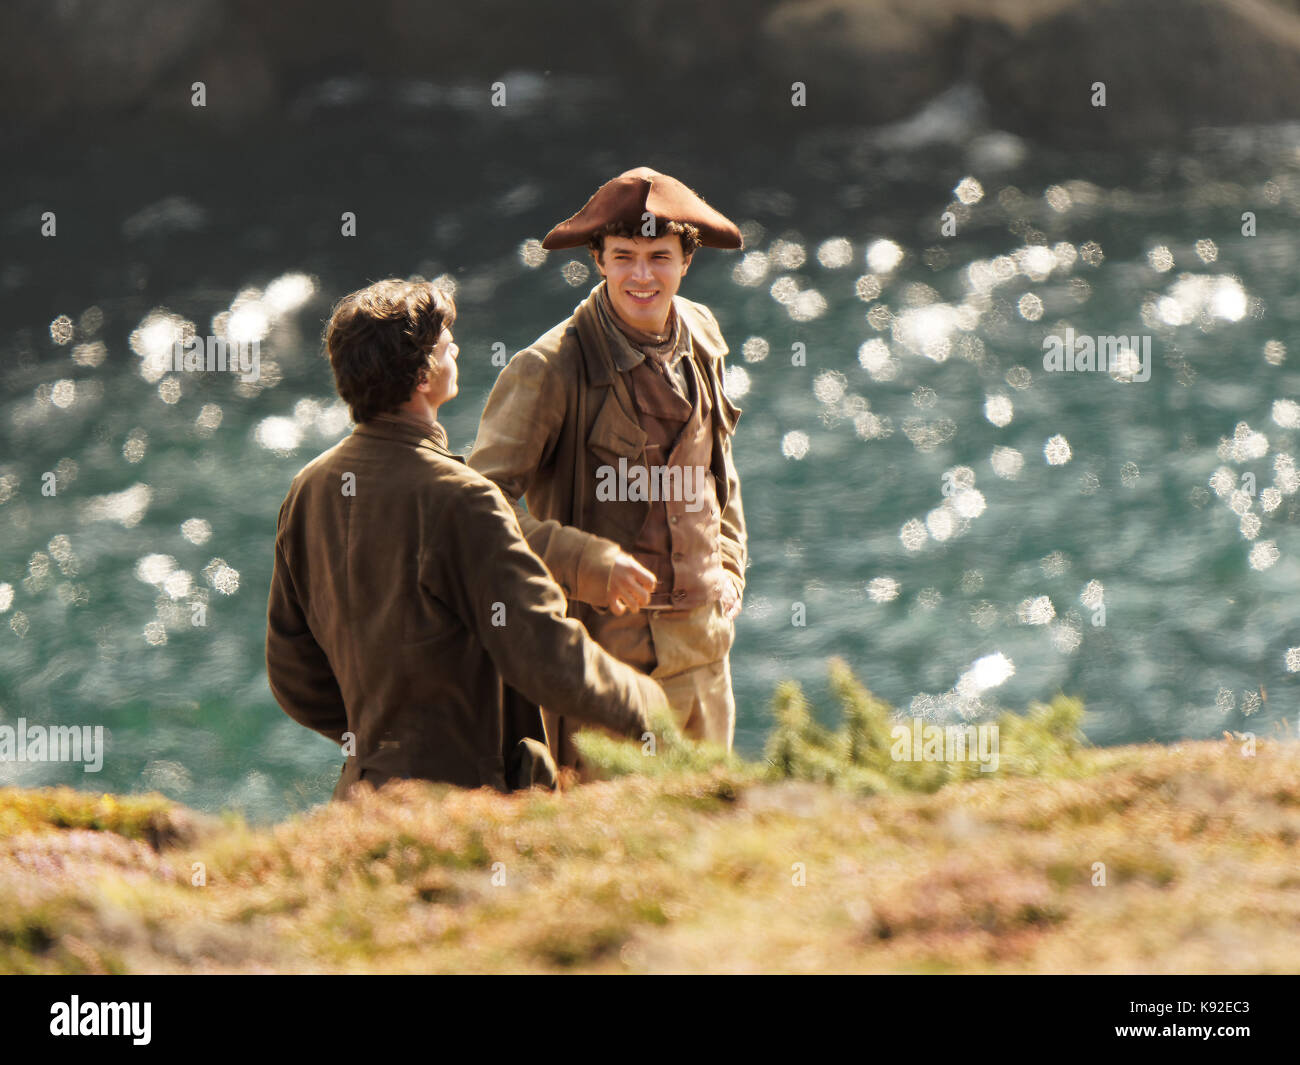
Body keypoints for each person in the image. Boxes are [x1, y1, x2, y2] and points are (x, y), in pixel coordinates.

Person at [265, 279, 670, 798]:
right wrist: (647, 705)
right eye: (443, 343)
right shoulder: (463, 498)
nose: (454, 348)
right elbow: (542, 649)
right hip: (471, 801)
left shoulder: (308, 489)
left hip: (365, 795)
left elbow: (292, 672)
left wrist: (381, 740)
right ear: (421, 373)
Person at [469, 167, 747, 770]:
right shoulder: (548, 368)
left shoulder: (701, 334)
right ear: (597, 258)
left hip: (704, 656)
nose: (642, 276)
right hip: (605, 674)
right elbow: (473, 511)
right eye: (624, 257)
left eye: (659, 257)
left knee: (711, 845)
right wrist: (584, 562)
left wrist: (728, 565)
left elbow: (716, 470)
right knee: (623, 850)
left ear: (686, 261)